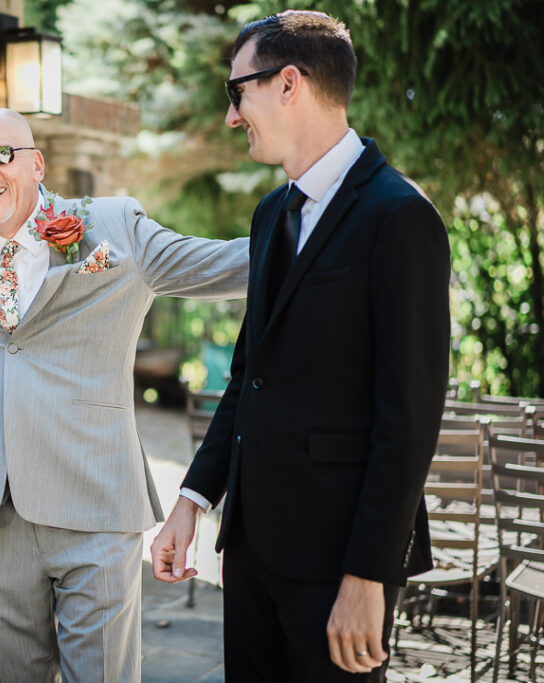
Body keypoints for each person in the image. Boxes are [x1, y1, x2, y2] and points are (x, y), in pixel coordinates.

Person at [0, 107, 249, 681]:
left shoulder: (113, 226)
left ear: (36, 164)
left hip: (95, 502)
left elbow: (225, 264)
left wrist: (323, 234)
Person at [149, 10, 450, 682]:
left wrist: (369, 575)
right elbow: (249, 376)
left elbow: (408, 420)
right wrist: (192, 499)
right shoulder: (269, 215)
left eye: (238, 92)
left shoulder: (400, 216)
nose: (232, 116)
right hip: (249, 556)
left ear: (289, 83)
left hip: (337, 567)